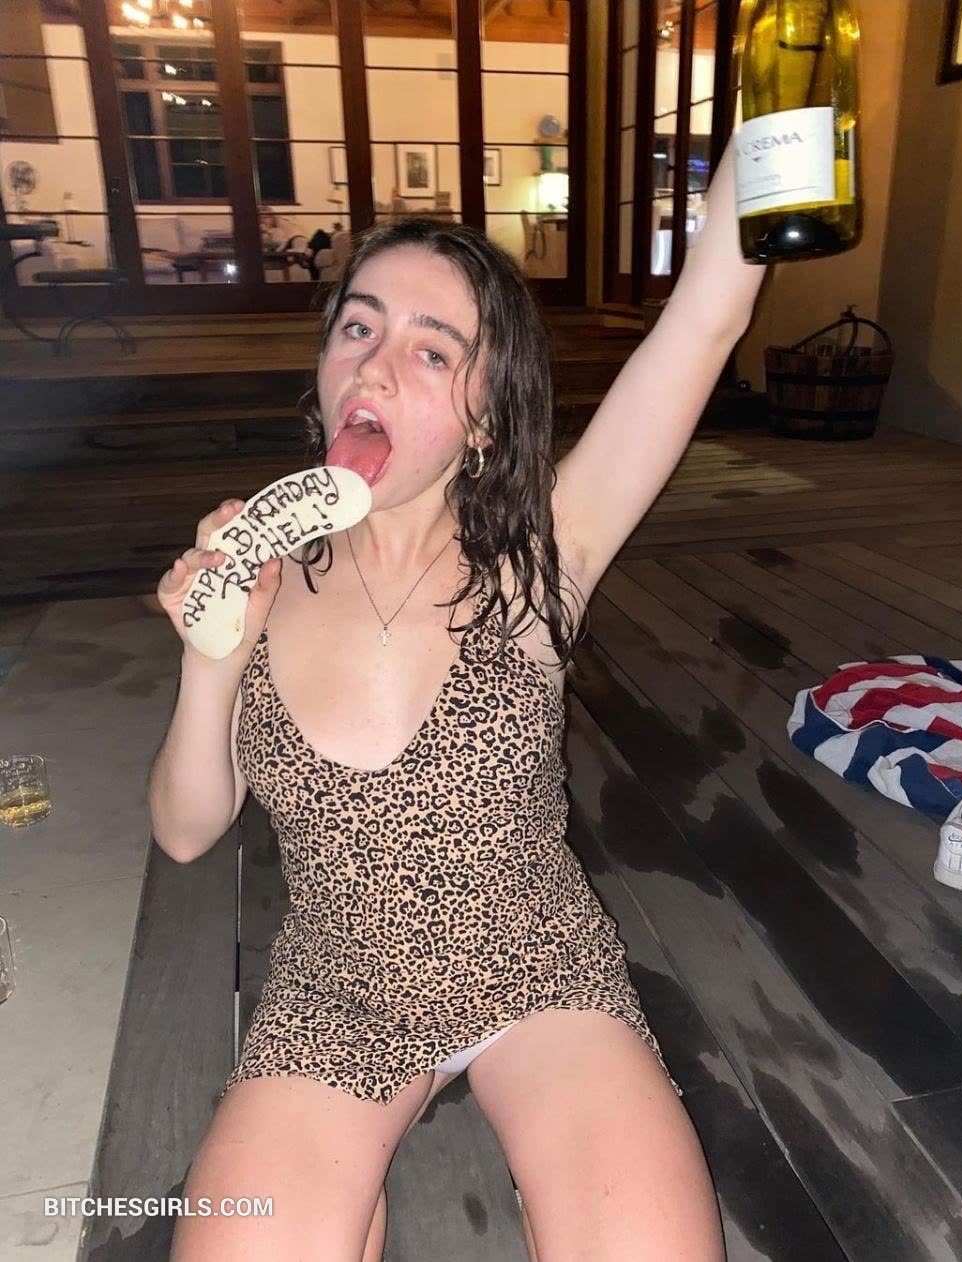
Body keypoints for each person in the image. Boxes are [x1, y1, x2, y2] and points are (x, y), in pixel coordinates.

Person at [149, 148, 765, 1261]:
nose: (376, 365)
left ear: (486, 419)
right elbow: (187, 830)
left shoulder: (543, 555)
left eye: (432, 350)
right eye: (358, 328)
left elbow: (704, 322)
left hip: (539, 968)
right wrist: (210, 658)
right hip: (338, 986)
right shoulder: (261, 570)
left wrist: (769, 133)